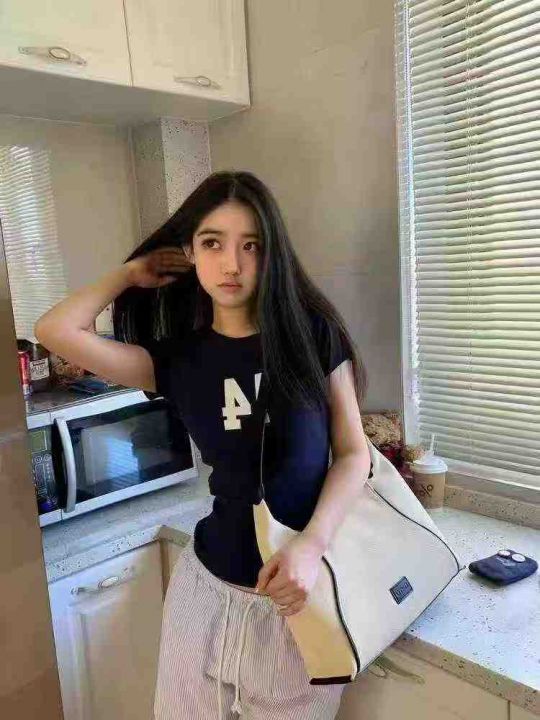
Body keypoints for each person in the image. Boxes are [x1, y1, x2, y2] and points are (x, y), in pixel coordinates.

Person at [35, 170, 372, 720]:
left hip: (297, 606)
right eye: (213, 243)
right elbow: (55, 331)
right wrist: (129, 273)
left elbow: (354, 454)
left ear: (272, 254)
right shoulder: (177, 359)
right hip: (204, 596)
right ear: (190, 252)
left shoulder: (313, 336)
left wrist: (311, 545)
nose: (231, 264)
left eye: (251, 246)